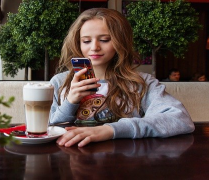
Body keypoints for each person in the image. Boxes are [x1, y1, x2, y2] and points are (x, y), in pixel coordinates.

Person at [49, 8, 194, 147]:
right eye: (86, 41)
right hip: (71, 161)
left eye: (105, 40)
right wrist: (70, 102)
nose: (94, 47)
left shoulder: (141, 83)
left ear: (120, 41)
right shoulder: (59, 82)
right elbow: (45, 129)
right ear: (77, 43)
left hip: (125, 162)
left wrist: (110, 130)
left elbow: (181, 120)